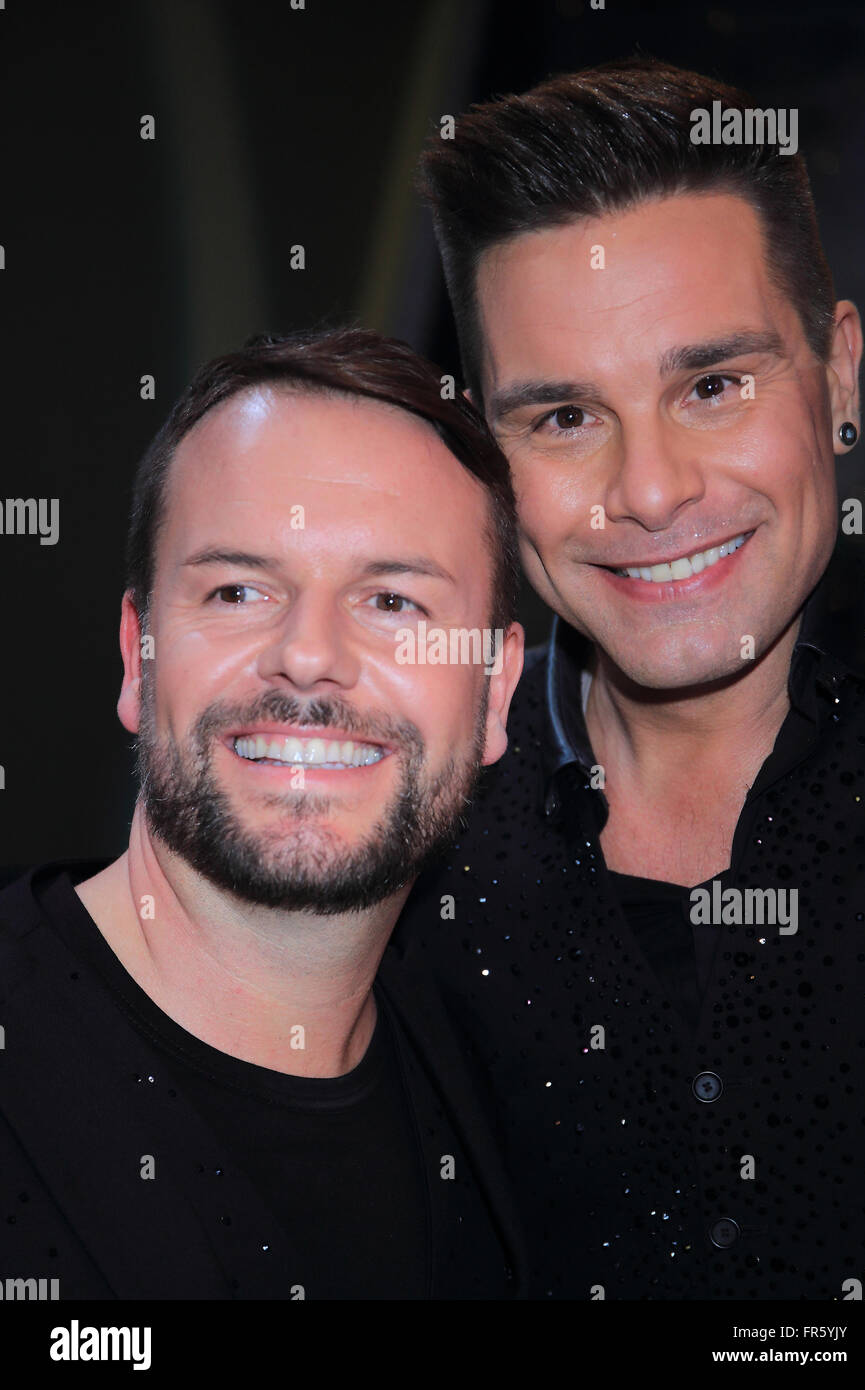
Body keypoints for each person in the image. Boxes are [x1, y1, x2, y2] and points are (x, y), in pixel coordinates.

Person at [397, 57, 865, 1299]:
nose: (655, 489)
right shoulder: (406, 811)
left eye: (712, 385)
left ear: (837, 375)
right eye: (564, 417)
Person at [0, 326, 526, 1300]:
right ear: (138, 653)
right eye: (239, 589)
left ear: (495, 692)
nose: (308, 654)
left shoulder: (507, 1100)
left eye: (395, 602)